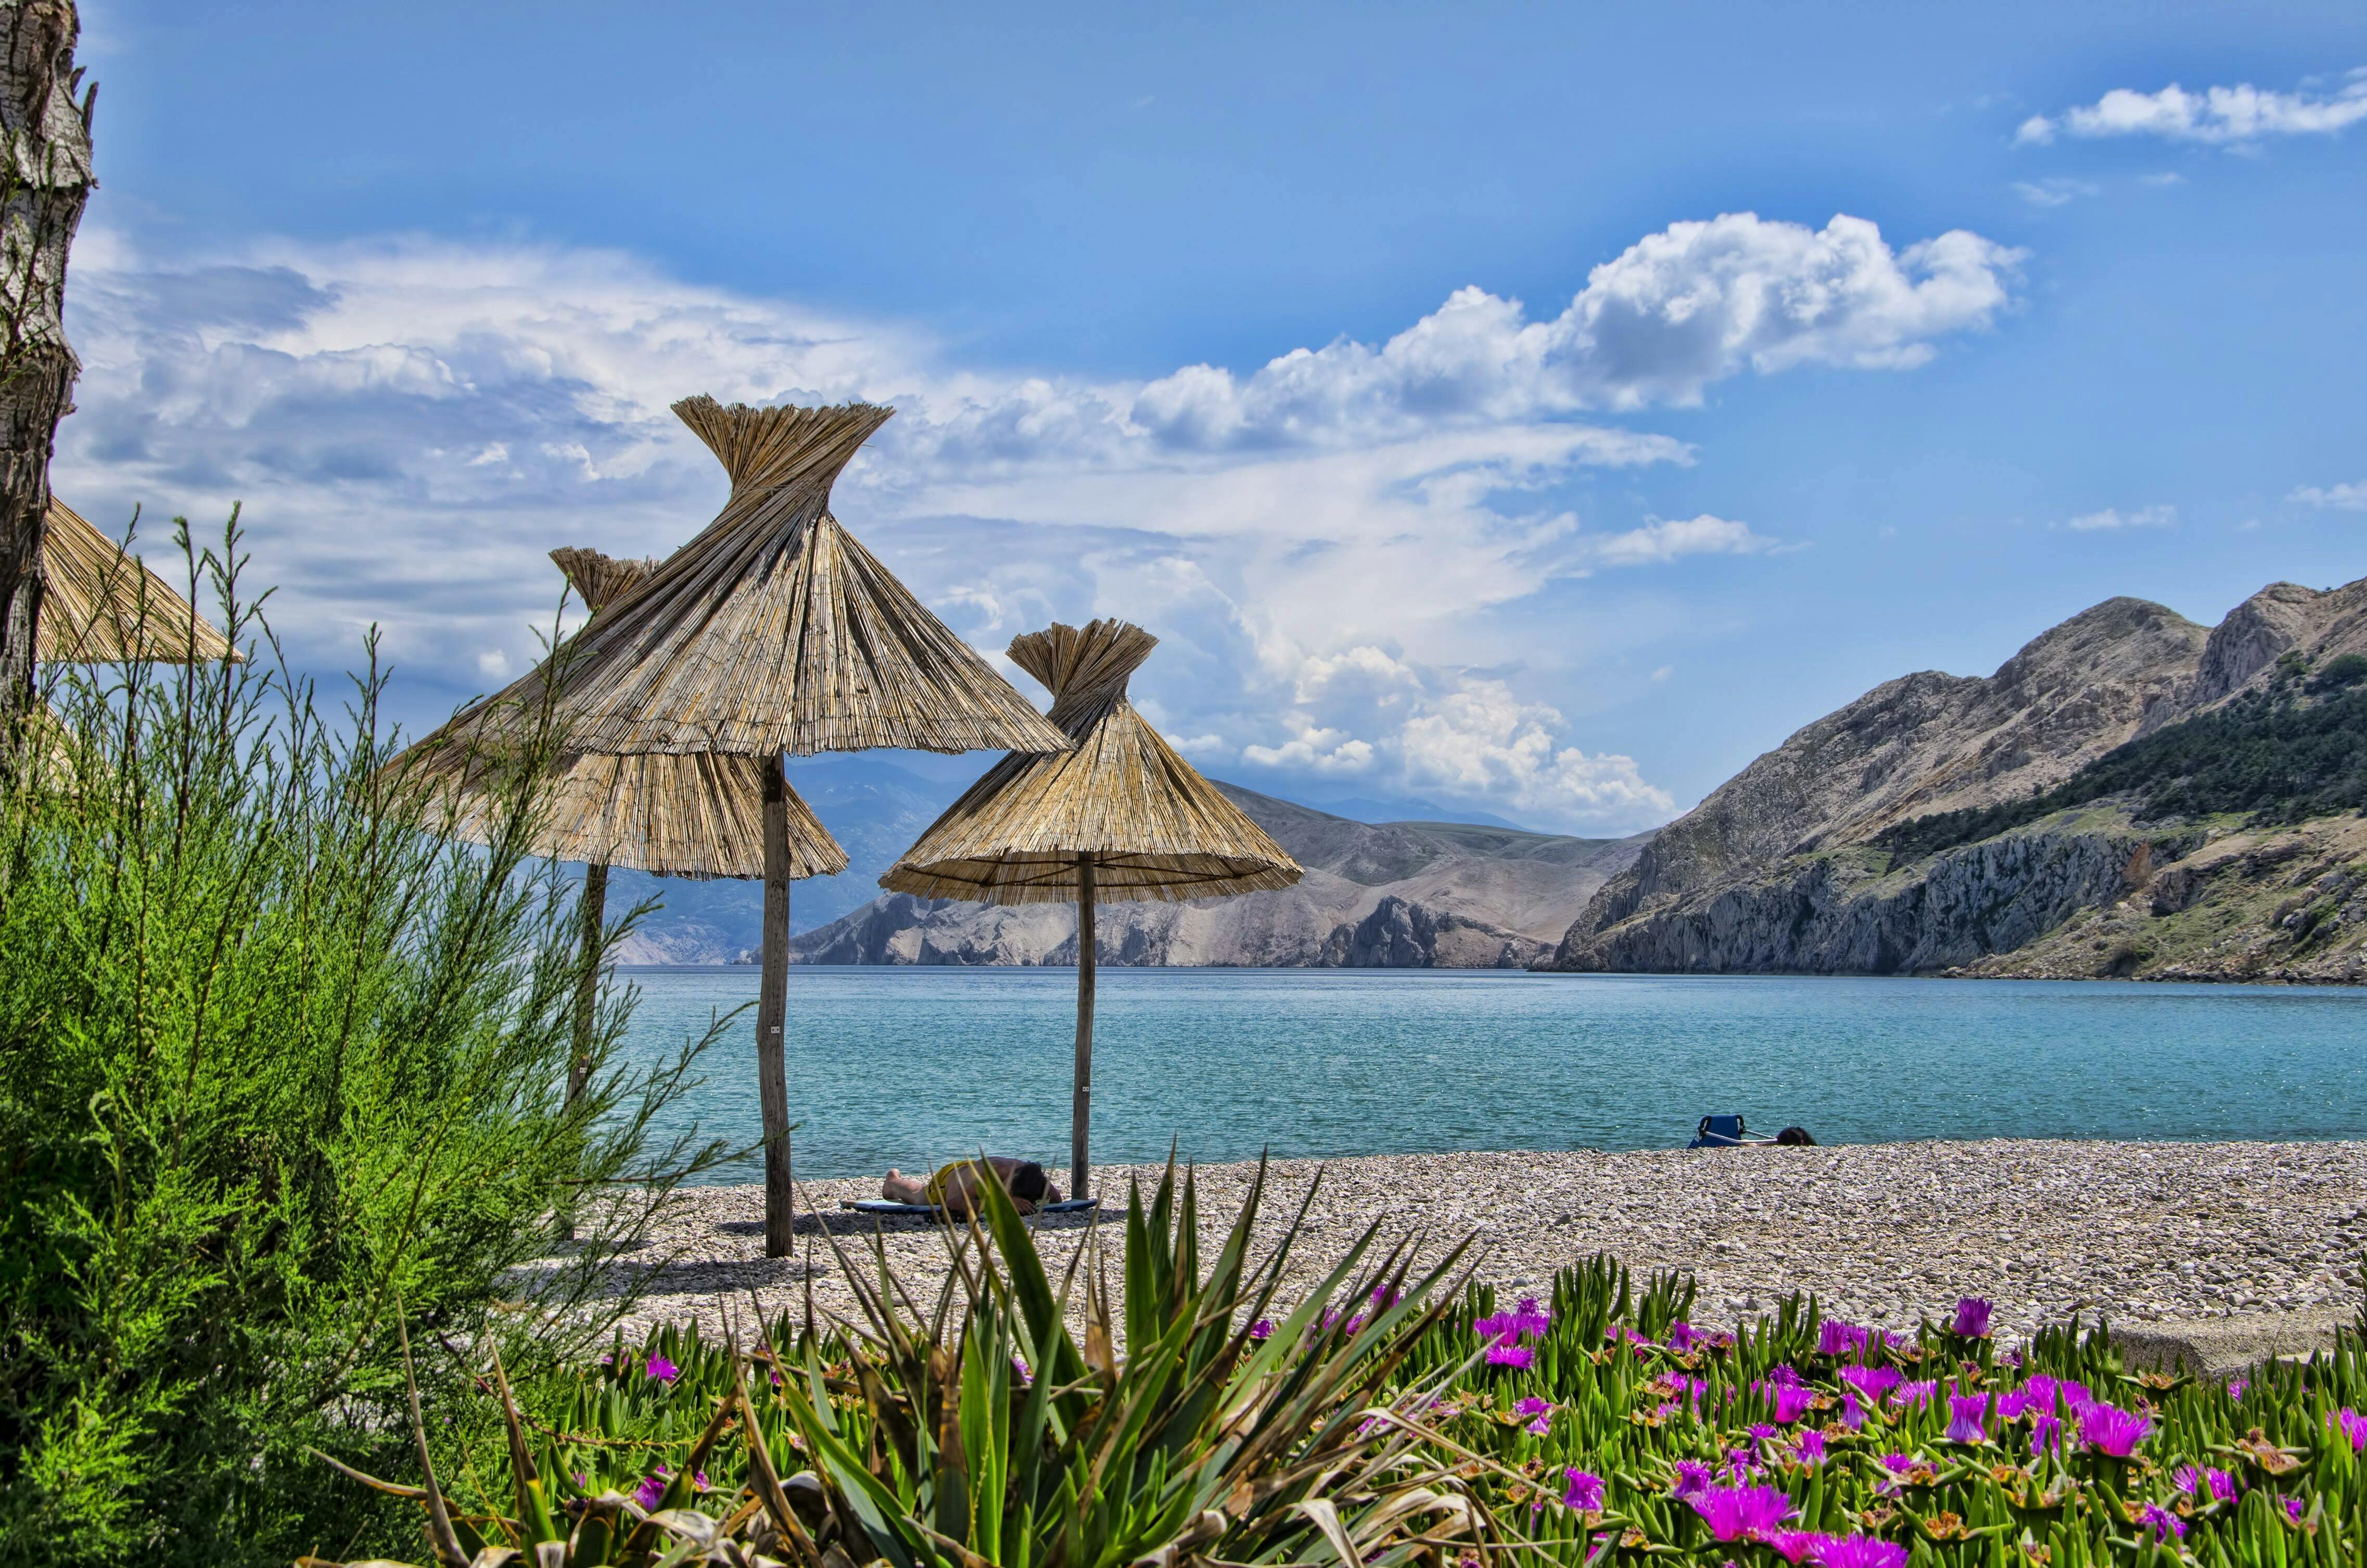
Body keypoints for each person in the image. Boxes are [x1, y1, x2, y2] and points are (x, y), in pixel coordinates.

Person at [882, 1156, 1063, 1216]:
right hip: (949, 1182)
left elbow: (1057, 1199)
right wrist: (1005, 1203)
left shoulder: (1031, 1175)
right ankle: (892, 1181)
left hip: (971, 1170)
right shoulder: (994, 1172)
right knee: (917, 1195)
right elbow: (954, 1203)